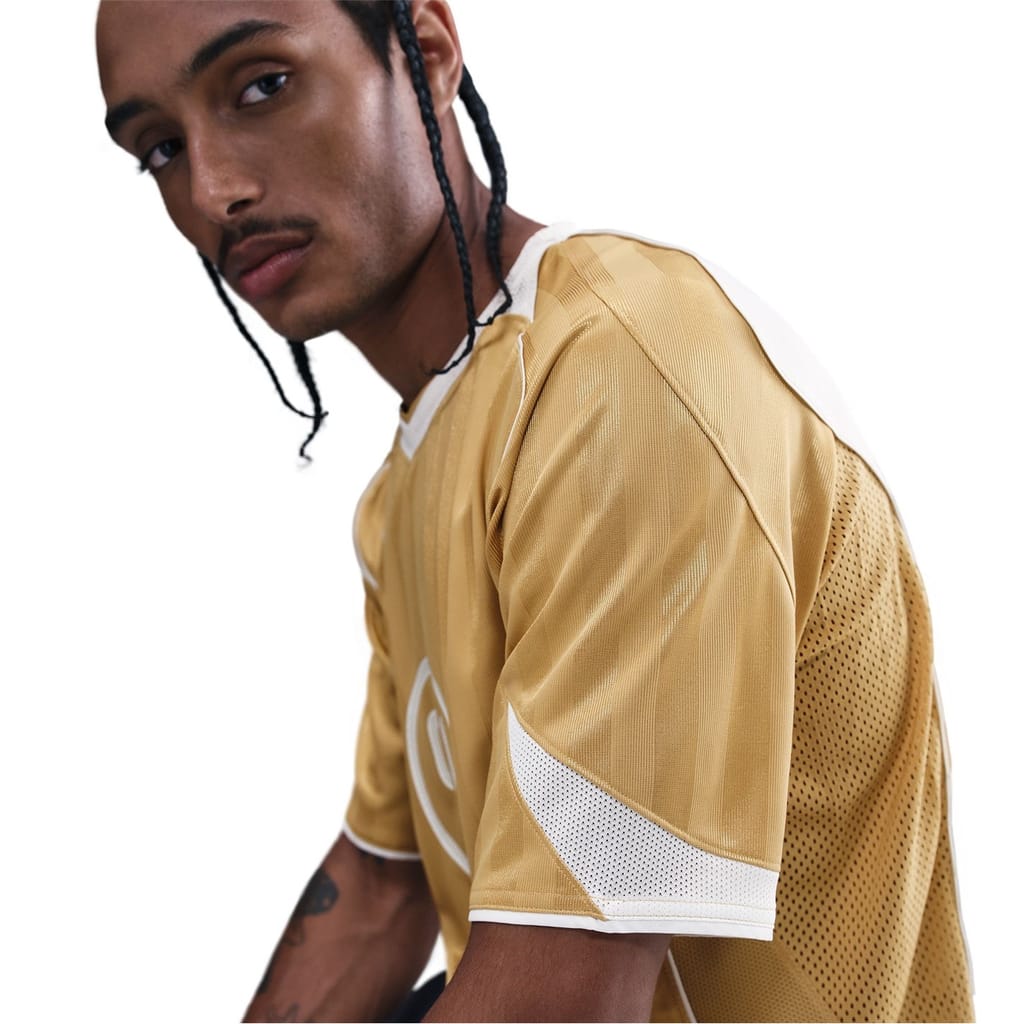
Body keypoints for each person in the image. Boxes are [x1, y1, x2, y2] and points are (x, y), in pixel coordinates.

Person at [95, 1, 974, 1020]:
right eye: (160, 149)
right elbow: (381, 887)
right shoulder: (413, 480)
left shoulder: (623, 378)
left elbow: (559, 1000)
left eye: (262, 87)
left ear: (426, 53)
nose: (213, 191)